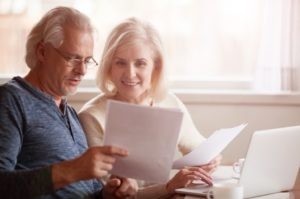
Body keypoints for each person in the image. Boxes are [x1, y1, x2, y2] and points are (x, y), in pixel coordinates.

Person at [78, 17, 222, 198]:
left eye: (140, 63)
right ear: (109, 67)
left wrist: (211, 159)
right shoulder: (92, 117)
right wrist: (169, 188)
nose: (130, 73)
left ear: (156, 67)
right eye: (120, 62)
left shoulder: (169, 102)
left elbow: (199, 147)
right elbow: (105, 194)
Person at [0, 7, 134, 199]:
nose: (82, 70)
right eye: (73, 58)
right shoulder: (11, 100)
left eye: (87, 61)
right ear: (42, 52)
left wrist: (107, 193)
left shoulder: (70, 113)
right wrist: (71, 170)